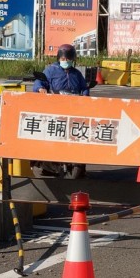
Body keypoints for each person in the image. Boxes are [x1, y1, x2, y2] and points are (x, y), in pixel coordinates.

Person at [31, 43, 88, 179]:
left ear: (72, 59)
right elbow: (39, 82)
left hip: (73, 110)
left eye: (67, 59)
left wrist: (86, 97)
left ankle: (79, 166)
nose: (65, 62)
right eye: (63, 59)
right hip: (55, 109)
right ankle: (46, 165)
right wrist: (40, 89)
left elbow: (84, 87)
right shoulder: (51, 70)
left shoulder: (77, 73)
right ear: (59, 59)